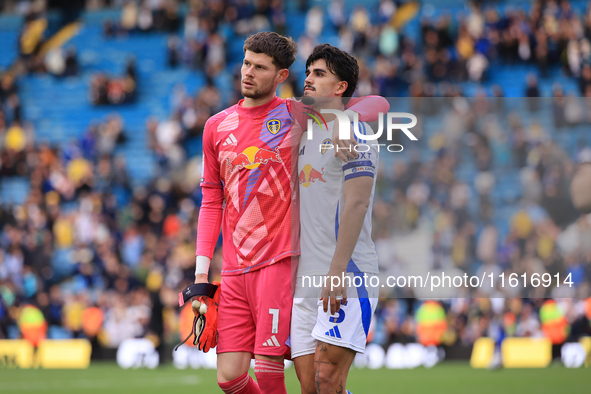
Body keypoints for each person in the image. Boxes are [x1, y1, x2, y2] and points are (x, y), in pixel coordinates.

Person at [193, 32, 388, 394]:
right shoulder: (229, 126)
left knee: (321, 379)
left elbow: (374, 103)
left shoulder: (304, 118)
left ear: (279, 75)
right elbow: (210, 198)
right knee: (301, 385)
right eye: (246, 63)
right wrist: (202, 273)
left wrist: (348, 119)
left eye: (260, 66)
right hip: (282, 274)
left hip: (314, 268)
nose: (249, 72)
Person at [291, 44, 380, 394]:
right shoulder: (302, 129)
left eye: (319, 73)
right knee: (310, 387)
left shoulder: (357, 133)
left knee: (327, 380)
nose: (309, 79)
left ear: (340, 87)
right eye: (308, 72)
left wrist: (337, 271)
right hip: (304, 280)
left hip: (345, 273)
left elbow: (357, 205)